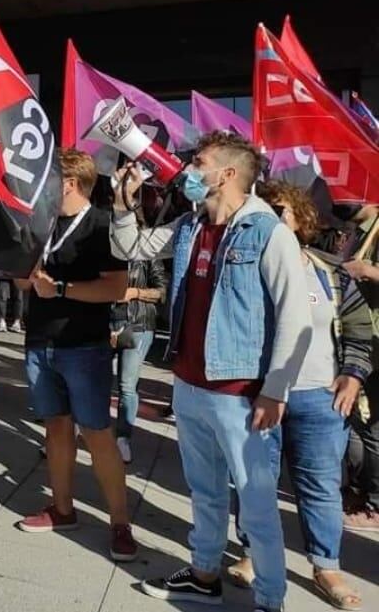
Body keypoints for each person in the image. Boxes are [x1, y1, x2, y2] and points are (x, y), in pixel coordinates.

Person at [111, 131, 311, 612]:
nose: (187, 169)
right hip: (190, 382)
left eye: (198, 162)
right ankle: (203, 574)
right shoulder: (190, 225)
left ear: (226, 174)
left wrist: (275, 390)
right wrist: (122, 204)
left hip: (238, 392)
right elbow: (130, 249)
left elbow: (294, 318)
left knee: (257, 503)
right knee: (203, 490)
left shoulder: (266, 231)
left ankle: (270, 598)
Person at [222, 181, 366, 609]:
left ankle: (326, 565)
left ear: (302, 220)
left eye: (279, 210)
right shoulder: (240, 271)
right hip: (259, 395)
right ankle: (253, 554)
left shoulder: (330, 272)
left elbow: (359, 328)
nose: (269, 218)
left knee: (321, 486)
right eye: (260, 210)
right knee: (253, 481)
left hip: (319, 398)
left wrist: (354, 375)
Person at [14, 149, 135, 562]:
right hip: (41, 341)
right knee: (56, 429)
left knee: (98, 433)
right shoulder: (42, 222)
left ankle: (120, 523)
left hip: (84, 345)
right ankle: (63, 509)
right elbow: (22, 280)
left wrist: (61, 289)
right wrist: (25, 277)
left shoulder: (102, 224)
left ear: (69, 183)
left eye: (48, 179)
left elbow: (116, 288)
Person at [331, 202, 379, 534]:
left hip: (375, 339)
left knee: (372, 429)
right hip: (356, 338)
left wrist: (369, 272)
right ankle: (358, 489)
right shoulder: (357, 232)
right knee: (356, 422)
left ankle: (375, 504)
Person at [110, 199, 168, 464]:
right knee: (92, 380)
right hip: (106, 321)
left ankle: (123, 437)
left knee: (126, 385)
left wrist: (134, 293)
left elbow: (162, 291)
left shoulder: (146, 250)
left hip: (138, 324)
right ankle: (79, 428)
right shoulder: (105, 245)